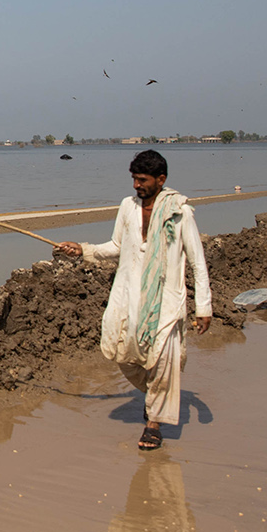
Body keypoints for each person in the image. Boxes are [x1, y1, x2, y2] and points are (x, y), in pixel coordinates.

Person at [54, 150, 211, 450]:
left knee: (164, 359)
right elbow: (116, 245)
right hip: (128, 295)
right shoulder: (127, 207)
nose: (137, 186)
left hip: (166, 299)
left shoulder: (180, 212)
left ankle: (154, 423)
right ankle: (155, 395)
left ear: (160, 180)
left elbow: (197, 261)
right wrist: (83, 250)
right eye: (134, 180)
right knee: (122, 353)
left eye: (142, 180)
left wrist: (204, 306)